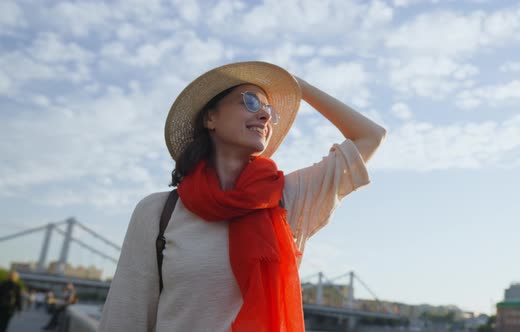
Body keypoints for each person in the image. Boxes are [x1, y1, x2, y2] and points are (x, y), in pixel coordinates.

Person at [99, 61, 386, 331]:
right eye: (250, 101)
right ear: (211, 117)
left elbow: (371, 135)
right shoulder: (158, 212)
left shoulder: (288, 199)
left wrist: (298, 86)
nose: (264, 114)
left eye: (268, 110)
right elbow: (125, 317)